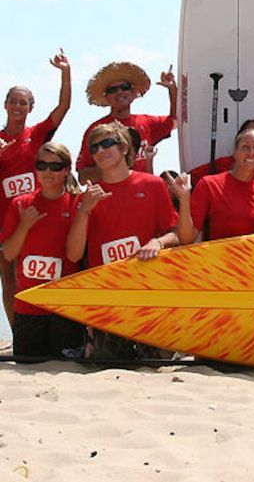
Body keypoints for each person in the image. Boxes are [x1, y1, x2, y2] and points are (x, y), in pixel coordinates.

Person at [67, 121, 178, 359]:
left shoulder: (153, 185)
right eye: (94, 148)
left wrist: (157, 242)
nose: (100, 151)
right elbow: (74, 254)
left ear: (125, 148)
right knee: (110, 366)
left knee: (155, 366)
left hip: (149, 295)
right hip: (108, 299)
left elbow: (177, 233)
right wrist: (84, 210)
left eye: (107, 143)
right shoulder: (87, 197)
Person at [0, 49, 71, 324]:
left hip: (37, 214)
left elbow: (63, 108)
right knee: (9, 281)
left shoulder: (38, 134)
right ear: (5, 105)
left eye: (24, 102)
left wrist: (65, 72)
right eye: (14, 101)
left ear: (31, 108)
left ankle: (45, 331)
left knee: (39, 274)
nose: (18, 106)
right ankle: (18, 335)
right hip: (5, 219)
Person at [0, 142, 83, 358]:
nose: (47, 171)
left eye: (55, 166)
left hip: (64, 307)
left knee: (67, 368)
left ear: (66, 170)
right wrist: (25, 226)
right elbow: (8, 254)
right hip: (28, 306)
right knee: (27, 364)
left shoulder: (77, 203)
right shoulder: (22, 203)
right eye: (41, 165)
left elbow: (77, 255)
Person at [168, 128, 254, 244]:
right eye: (245, 147)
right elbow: (186, 238)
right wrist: (184, 200)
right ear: (235, 152)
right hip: (219, 261)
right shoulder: (209, 184)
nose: (251, 152)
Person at [77, 61, 177, 183]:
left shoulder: (147, 122)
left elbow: (177, 120)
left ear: (133, 93)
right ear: (106, 97)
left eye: (125, 87)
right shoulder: (96, 129)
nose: (119, 92)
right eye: (112, 90)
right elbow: (83, 177)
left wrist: (172, 88)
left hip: (143, 195)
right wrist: (114, 166)